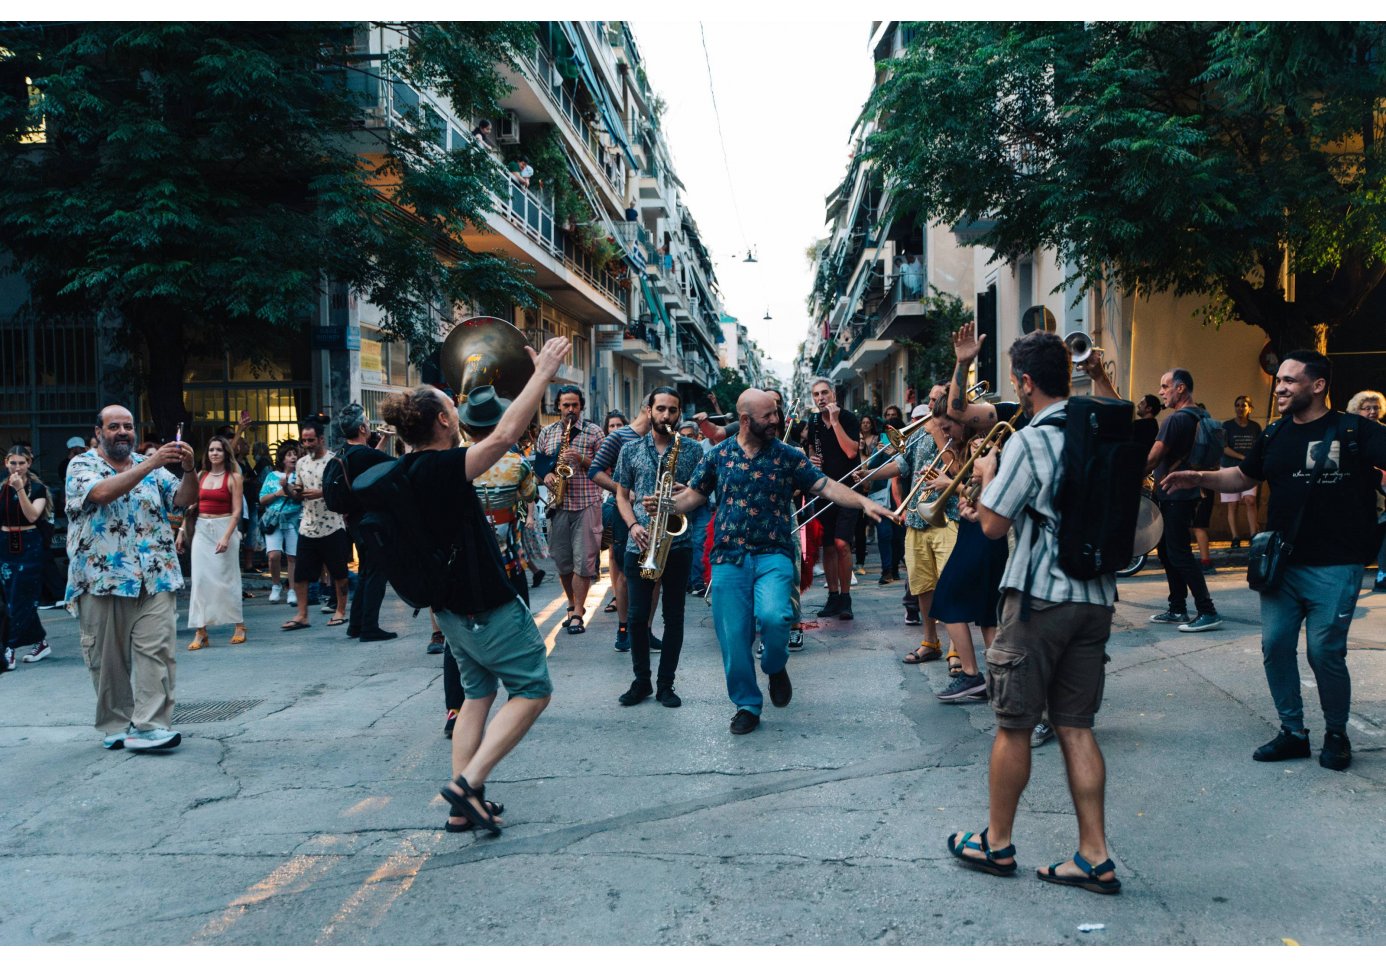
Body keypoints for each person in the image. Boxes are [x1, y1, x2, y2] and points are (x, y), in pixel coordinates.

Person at [947, 330, 1121, 895]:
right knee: (1076, 726)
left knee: (1013, 725)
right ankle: (1094, 855)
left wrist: (987, 475)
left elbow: (995, 524)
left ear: (1024, 382)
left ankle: (996, 844)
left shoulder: (1028, 440)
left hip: (1040, 597)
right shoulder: (1101, 428)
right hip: (1095, 597)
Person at [379, 335, 570, 835]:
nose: (458, 407)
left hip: (450, 610)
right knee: (532, 690)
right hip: (484, 602)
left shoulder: (406, 468)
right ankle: (469, 783)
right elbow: (506, 434)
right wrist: (542, 374)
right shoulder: (442, 467)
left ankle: (464, 804)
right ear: (444, 420)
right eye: (451, 405)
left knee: (476, 698)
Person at [1164, 352, 1386, 771]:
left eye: (1289, 380)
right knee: (1275, 647)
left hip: (1337, 566)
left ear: (1317, 385)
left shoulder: (1356, 429)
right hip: (1281, 565)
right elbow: (1243, 477)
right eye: (1278, 380)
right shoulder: (1276, 433)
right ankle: (1293, 732)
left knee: (1324, 652)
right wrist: (1198, 477)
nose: (1279, 387)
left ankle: (1336, 734)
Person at [673, 389, 889, 735]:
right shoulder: (718, 456)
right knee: (734, 637)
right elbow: (694, 496)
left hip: (773, 553)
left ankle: (775, 665)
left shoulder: (787, 455)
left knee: (776, 618)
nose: (776, 420)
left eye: (776, 413)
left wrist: (862, 503)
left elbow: (826, 485)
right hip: (729, 557)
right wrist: (666, 507)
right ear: (745, 420)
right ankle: (746, 704)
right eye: (768, 416)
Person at [66, 405, 199, 751]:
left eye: (128, 426)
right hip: (101, 579)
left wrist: (189, 469)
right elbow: (102, 494)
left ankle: (150, 726)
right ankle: (116, 723)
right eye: (114, 427)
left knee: (157, 652)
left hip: (155, 576)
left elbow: (184, 500)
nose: (123, 432)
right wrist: (151, 463)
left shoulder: (149, 468)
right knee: (108, 659)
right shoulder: (82, 465)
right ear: (98, 432)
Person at [441, 386, 541, 741]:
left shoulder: (452, 464)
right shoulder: (518, 464)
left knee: (458, 648)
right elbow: (530, 496)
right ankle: (518, 702)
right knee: (522, 637)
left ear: (466, 427)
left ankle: (455, 711)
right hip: (507, 567)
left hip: (461, 571)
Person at [614, 387, 702, 707]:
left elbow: (708, 496)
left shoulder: (692, 450)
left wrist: (688, 491)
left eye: (673, 410)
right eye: (661, 409)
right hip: (641, 541)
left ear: (680, 414)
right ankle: (641, 682)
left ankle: (666, 684)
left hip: (678, 543)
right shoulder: (631, 450)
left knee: (674, 616)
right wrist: (634, 526)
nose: (667, 416)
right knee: (637, 617)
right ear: (649, 411)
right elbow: (621, 496)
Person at [1144, 369, 1221, 632]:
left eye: (1165, 386)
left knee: (1178, 552)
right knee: (1167, 551)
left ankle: (1207, 610)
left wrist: (1128, 477)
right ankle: (1177, 607)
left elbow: (1153, 459)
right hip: (1187, 494)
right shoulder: (1200, 415)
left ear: (1181, 389)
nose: (1161, 391)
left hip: (1175, 495)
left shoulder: (1175, 420)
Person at [535, 386, 605, 635]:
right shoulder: (548, 433)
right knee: (562, 561)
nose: (571, 410)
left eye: (575, 405)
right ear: (558, 407)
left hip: (587, 502)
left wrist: (583, 460)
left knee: (584, 561)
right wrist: (548, 475)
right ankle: (572, 602)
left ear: (581, 406)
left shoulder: (594, 431)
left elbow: (606, 467)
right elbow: (540, 463)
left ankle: (577, 613)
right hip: (558, 503)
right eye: (566, 405)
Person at [177, 436, 247, 650]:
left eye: (219, 450)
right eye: (211, 450)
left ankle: (239, 625)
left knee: (228, 578)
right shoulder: (200, 475)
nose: (214, 453)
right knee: (199, 580)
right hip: (201, 529)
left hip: (224, 525)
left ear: (226, 453)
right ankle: (200, 630)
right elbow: (192, 507)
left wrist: (227, 536)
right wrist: (181, 531)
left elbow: (237, 511)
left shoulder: (234, 477)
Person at [281, 421, 349, 631]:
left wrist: (322, 493)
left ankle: (340, 610)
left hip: (332, 524)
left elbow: (345, 491)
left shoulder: (335, 461)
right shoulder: (301, 463)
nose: (307, 444)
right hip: (308, 525)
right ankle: (302, 614)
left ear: (321, 439)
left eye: (311, 440)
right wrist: (289, 488)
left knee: (339, 572)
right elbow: (297, 493)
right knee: (301, 574)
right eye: (304, 440)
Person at [337, 404, 396, 642]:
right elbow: (396, 465)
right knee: (377, 572)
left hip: (354, 522)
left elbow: (373, 461)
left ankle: (356, 624)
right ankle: (369, 627)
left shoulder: (345, 452)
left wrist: (382, 440)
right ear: (362, 428)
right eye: (368, 422)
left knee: (365, 572)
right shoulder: (364, 454)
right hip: (370, 522)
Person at [805, 377, 861, 619]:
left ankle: (846, 598)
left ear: (834, 394)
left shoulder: (847, 418)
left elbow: (851, 451)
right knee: (827, 546)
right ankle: (833, 597)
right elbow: (810, 449)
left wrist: (835, 421)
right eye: (816, 394)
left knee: (841, 543)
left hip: (848, 488)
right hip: (824, 489)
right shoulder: (814, 420)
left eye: (824, 393)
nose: (820, 398)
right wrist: (811, 459)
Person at [591, 409, 639, 650]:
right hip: (619, 507)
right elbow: (595, 471)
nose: (616, 428)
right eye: (612, 425)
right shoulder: (616, 441)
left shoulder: (648, 438)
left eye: (620, 424)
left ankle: (644, 629)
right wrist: (623, 491)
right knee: (619, 565)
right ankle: (623, 628)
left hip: (648, 511)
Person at [2, 446, 51, 670]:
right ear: (6, 463)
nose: (17, 467)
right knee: (10, 597)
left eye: (22, 463)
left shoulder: (37, 488)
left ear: (29, 463)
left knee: (21, 596)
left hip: (29, 544)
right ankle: (40, 641)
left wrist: (20, 490)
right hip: (5, 544)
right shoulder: (1, 488)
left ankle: (9, 647)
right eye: (13, 463)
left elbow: (32, 514)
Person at [1346, 390, 1386, 592]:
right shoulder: (1350, 432)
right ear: (1356, 410)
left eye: (1376, 407)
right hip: (1357, 492)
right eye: (1367, 408)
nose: (1372, 411)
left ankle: (1383, 574)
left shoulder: (1383, 431)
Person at [259, 442, 302, 606]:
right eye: (289, 454)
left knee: (293, 556)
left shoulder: (299, 475)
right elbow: (262, 499)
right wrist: (278, 493)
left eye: (295, 454)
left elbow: (299, 497)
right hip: (274, 519)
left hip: (292, 519)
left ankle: (292, 589)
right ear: (283, 458)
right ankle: (276, 586)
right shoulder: (271, 476)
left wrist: (288, 489)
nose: (293, 457)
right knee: (273, 555)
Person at [1221, 395, 1263, 549]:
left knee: (1250, 501)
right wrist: (1242, 457)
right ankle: (1235, 537)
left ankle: (1254, 535)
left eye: (1243, 405)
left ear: (1250, 408)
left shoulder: (1255, 427)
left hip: (1249, 469)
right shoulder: (1227, 426)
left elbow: (1260, 447)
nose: (1240, 408)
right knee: (1233, 504)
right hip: (1229, 468)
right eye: (1237, 405)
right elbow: (1224, 448)